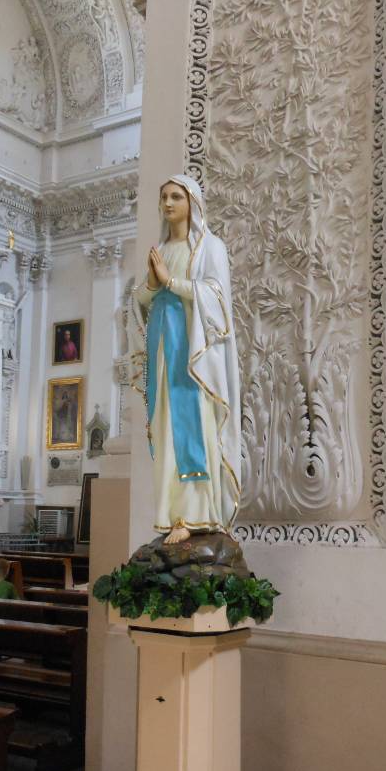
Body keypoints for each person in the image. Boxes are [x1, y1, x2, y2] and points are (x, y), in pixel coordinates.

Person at [129, 175, 242, 546]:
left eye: (176, 196)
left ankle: (197, 514)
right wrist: (151, 284)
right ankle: (171, 515)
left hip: (193, 358)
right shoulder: (161, 249)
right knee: (165, 430)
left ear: (192, 202)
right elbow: (141, 302)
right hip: (163, 351)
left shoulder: (210, 247)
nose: (168, 203)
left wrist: (170, 282)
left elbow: (217, 300)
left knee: (192, 428)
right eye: (163, 196)